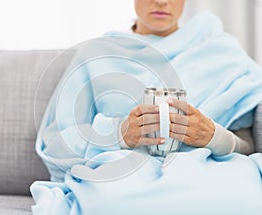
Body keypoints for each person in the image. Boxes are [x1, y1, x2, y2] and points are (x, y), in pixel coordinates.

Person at [30, 1, 262, 214]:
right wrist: (118, 133)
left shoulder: (219, 49)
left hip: (207, 167)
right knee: (107, 202)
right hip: (128, 172)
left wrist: (213, 135)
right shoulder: (98, 54)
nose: (161, 1)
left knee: (244, 198)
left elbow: (247, 145)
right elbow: (56, 141)